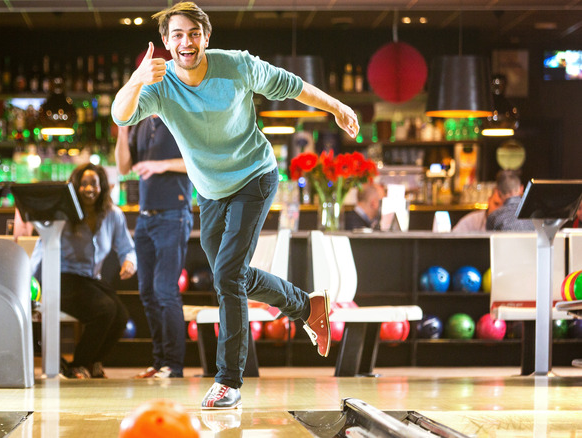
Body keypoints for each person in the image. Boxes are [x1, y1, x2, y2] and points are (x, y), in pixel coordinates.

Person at [112, 1, 360, 409]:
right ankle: (307, 305)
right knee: (232, 273)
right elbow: (121, 116)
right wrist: (137, 79)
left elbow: (292, 84)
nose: (186, 42)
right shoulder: (158, 86)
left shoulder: (237, 66)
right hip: (210, 191)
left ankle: (229, 381)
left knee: (227, 274)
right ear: (166, 42)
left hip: (255, 177)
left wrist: (337, 107)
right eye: (177, 35)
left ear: (206, 37)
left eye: (193, 33)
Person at [29, 163, 137, 379]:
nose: (89, 189)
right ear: (75, 188)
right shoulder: (63, 214)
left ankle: (93, 361)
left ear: (102, 186)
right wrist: (30, 282)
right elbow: (42, 248)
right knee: (105, 310)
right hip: (58, 277)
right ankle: (79, 365)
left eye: (94, 184)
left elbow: (127, 248)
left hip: (89, 280)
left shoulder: (112, 214)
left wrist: (129, 262)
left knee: (121, 316)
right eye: (84, 184)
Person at [115, 116, 193, 379]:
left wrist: (160, 166)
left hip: (174, 213)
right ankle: (160, 362)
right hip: (145, 218)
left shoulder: (180, 116)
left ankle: (174, 365)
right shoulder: (142, 124)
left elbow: (199, 161)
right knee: (147, 291)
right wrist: (123, 130)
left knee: (165, 290)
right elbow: (123, 166)